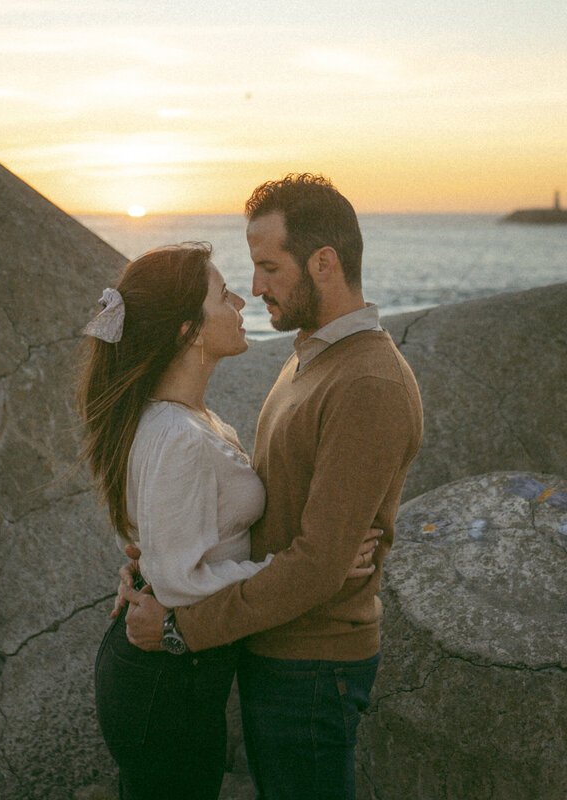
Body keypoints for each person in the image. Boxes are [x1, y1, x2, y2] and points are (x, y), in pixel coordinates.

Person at [118, 174, 425, 800]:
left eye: (267, 266)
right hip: (278, 648)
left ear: (324, 263)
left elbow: (317, 567)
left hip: (314, 663)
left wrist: (181, 627)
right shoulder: (310, 356)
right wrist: (152, 559)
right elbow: (267, 506)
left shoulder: (368, 383)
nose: (254, 288)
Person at [77, 243, 379, 800]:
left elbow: (169, 546)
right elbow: (176, 583)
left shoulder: (188, 420)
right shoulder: (178, 437)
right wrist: (320, 570)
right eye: (223, 295)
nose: (242, 299)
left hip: (175, 675)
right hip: (165, 683)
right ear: (190, 330)